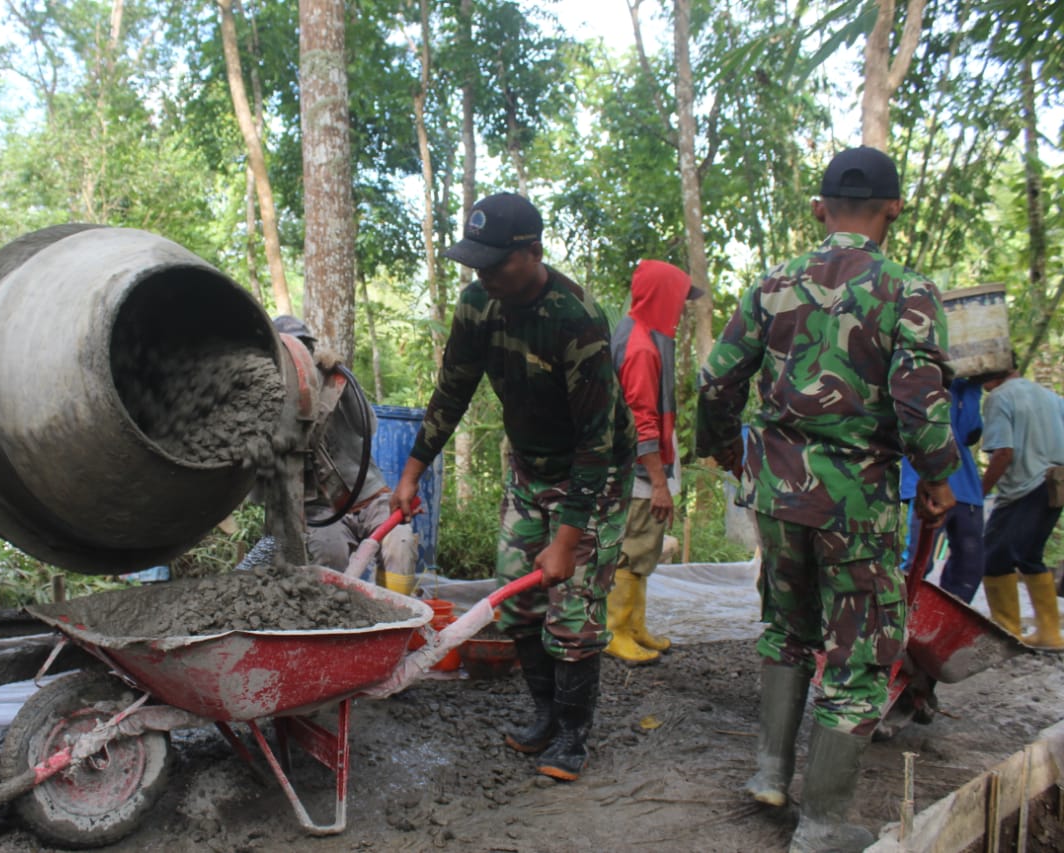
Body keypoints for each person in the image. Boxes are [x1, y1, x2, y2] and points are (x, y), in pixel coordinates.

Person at [695, 146, 959, 853]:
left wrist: (725, 449)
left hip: (778, 494)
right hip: (857, 503)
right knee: (859, 651)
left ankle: (770, 771)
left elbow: (716, 380)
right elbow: (920, 401)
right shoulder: (907, 291)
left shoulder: (773, 285)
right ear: (893, 207)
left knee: (787, 626)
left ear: (819, 209)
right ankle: (821, 825)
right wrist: (938, 478)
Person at [388, 192, 635, 783]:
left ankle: (572, 734)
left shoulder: (575, 319)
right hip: (529, 467)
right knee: (515, 597)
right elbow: (453, 389)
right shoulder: (479, 305)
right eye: (478, 263)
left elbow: (596, 441)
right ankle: (545, 714)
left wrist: (567, 538)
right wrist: (413, 471)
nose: (484, 275)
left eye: (496, 263)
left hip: (592, 474)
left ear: (533, 253)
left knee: (572, 605)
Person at [272, 315, 418, 594]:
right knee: (329, 557)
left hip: (371, 498)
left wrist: (345, 383)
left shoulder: (333, 380)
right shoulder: (268, 398)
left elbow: (367, 428)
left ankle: (397, 609)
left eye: (302, 347)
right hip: (321, 511)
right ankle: (335, 613)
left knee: (400, 544)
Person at [606, 260, 703, 665]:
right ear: (663, 298)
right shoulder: (642, 348)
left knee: (643, 548)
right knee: (632, 549)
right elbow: (641, 422)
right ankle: (615, 631)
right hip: (640, 473)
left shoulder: (639, 333)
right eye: (679, 300)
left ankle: (634, 626)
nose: (681, 309)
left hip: (641, 469)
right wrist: (659, 483)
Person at [978, 367, 1064, 650]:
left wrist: (980, 492)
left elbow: (1003, 452)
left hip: (1024, 487)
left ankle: (1006, 632)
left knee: (993, 557)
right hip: (1055, 483)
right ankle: (1049, 633)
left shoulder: (1000, 397)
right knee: (1029, 555)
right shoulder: (1050, 397)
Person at [899, 377, 985, 602]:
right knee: (917, 563)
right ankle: (900, 613)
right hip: (923, 484)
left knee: (968, 567)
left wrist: (973, 388)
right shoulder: (911, 379)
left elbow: (969, 432)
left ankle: (945, 619)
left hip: (965, 489)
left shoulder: (962, 388)